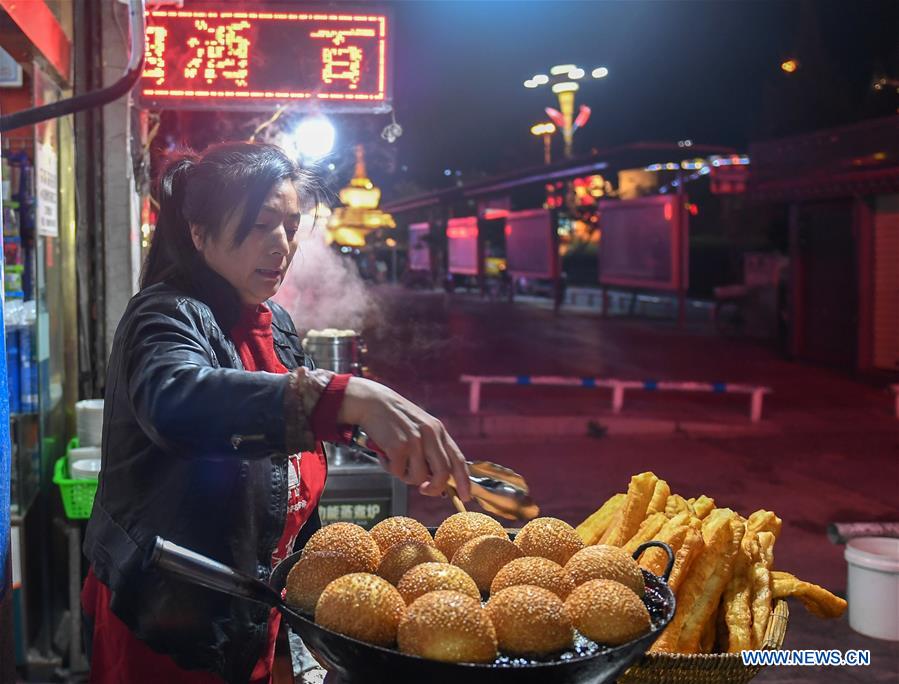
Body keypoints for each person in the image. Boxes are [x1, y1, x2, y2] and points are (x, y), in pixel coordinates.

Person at [81, 142, 471, 683]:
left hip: (250, 615)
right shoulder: (164, 316)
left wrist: (386, 441)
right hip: (170, 627)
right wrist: (348, 395)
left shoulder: (273, 322)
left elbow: (306, 422)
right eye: (263, 224)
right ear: (200, 233)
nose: (282, 244)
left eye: (291, 225)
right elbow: (178, 402)